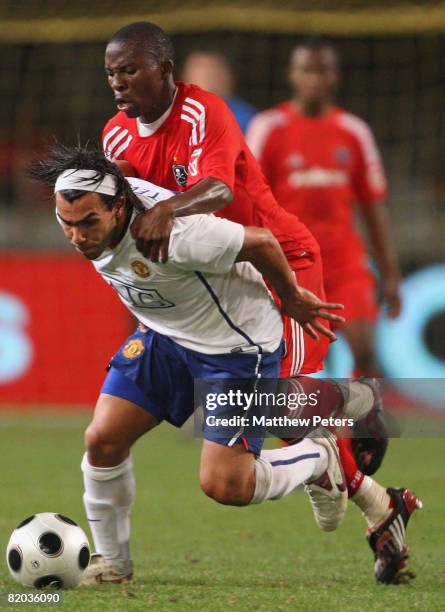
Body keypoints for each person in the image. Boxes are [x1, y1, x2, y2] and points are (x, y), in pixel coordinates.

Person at [99, 22, 419, 583]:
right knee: (272, 413)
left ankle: (348, 411)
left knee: (272, 402)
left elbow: (220, 189)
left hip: (280, 262)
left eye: (129, 70)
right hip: (218, 285)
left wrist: (166, 210)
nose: (118, 83)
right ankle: (378, 503)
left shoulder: (202, 113)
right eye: (111, 73)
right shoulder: (117, 137)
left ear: (165, 71)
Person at [29, 145, 421, 586]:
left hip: (235, 348)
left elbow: (261, 242)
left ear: (119, 208)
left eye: (88, 224)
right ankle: (113, 564)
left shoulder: (177, 235)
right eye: (67, 224)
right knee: (102, 439)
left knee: (225, 484)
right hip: (167, 335)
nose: (78, 236)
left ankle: (319, 455)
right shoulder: (93, 200)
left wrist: (291, 297)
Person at [246, 37, 402, 378]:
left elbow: (374, 207)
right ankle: (292, 428)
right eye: (306, 70)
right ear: (293, 75)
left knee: (365, 352)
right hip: (290, 263)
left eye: (322, 71)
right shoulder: (268, 129)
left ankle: (358, 433)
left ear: (335, 77)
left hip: (344, 262)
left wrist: (390, 274)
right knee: (288, 363)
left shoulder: (354, 132)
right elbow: (250, 200)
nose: (314, 79)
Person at [181, 50, 256, 133]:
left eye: (215, 74)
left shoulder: (250, 120)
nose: (209, 82)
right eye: (202, 75)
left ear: (229, 77)